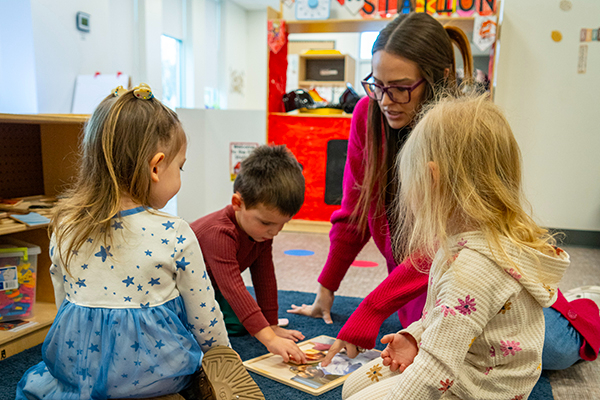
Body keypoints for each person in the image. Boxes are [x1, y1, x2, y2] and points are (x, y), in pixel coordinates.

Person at [287, 12, 600, 370]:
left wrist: (372, 308)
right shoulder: (367, 113)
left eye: (401, 87)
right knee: (436, 354)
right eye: (377, 84)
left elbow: (453, 242)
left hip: (474, 274)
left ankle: (584, 304)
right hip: (418, 285)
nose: (386, 100)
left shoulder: (462, 130)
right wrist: (325, 291)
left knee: (546, 350)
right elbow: (354, 213)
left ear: (439, 78)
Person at [16, 84, 263, 400]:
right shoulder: (175, 232)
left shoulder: (65, 223)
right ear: (156, 166)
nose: (180, 174)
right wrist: (221, 356)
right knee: (188, 362)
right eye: (180, 166)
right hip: (154, 373)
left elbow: (64, 297)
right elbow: (204, 313)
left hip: (80, 368)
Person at [342, 94, 569, 399]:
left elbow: (435, 370)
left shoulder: (472, 269)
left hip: (479, 389)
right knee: (352, 387)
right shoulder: (465, 241)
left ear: (432, 178)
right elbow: (445, 316)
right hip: (462, 364)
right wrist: (414, 337)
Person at [191, 145, 308, 364]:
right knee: (202, 332)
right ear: (237, 203)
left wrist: (271, 325)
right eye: (266, 223)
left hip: (212, 288)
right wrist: (269, 339)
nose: (274, 232)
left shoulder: (262, 233)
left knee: (243, 324)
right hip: (177, 293)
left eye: (283, 224)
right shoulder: (219, 233)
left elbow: (264, 275)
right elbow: (233, 288)